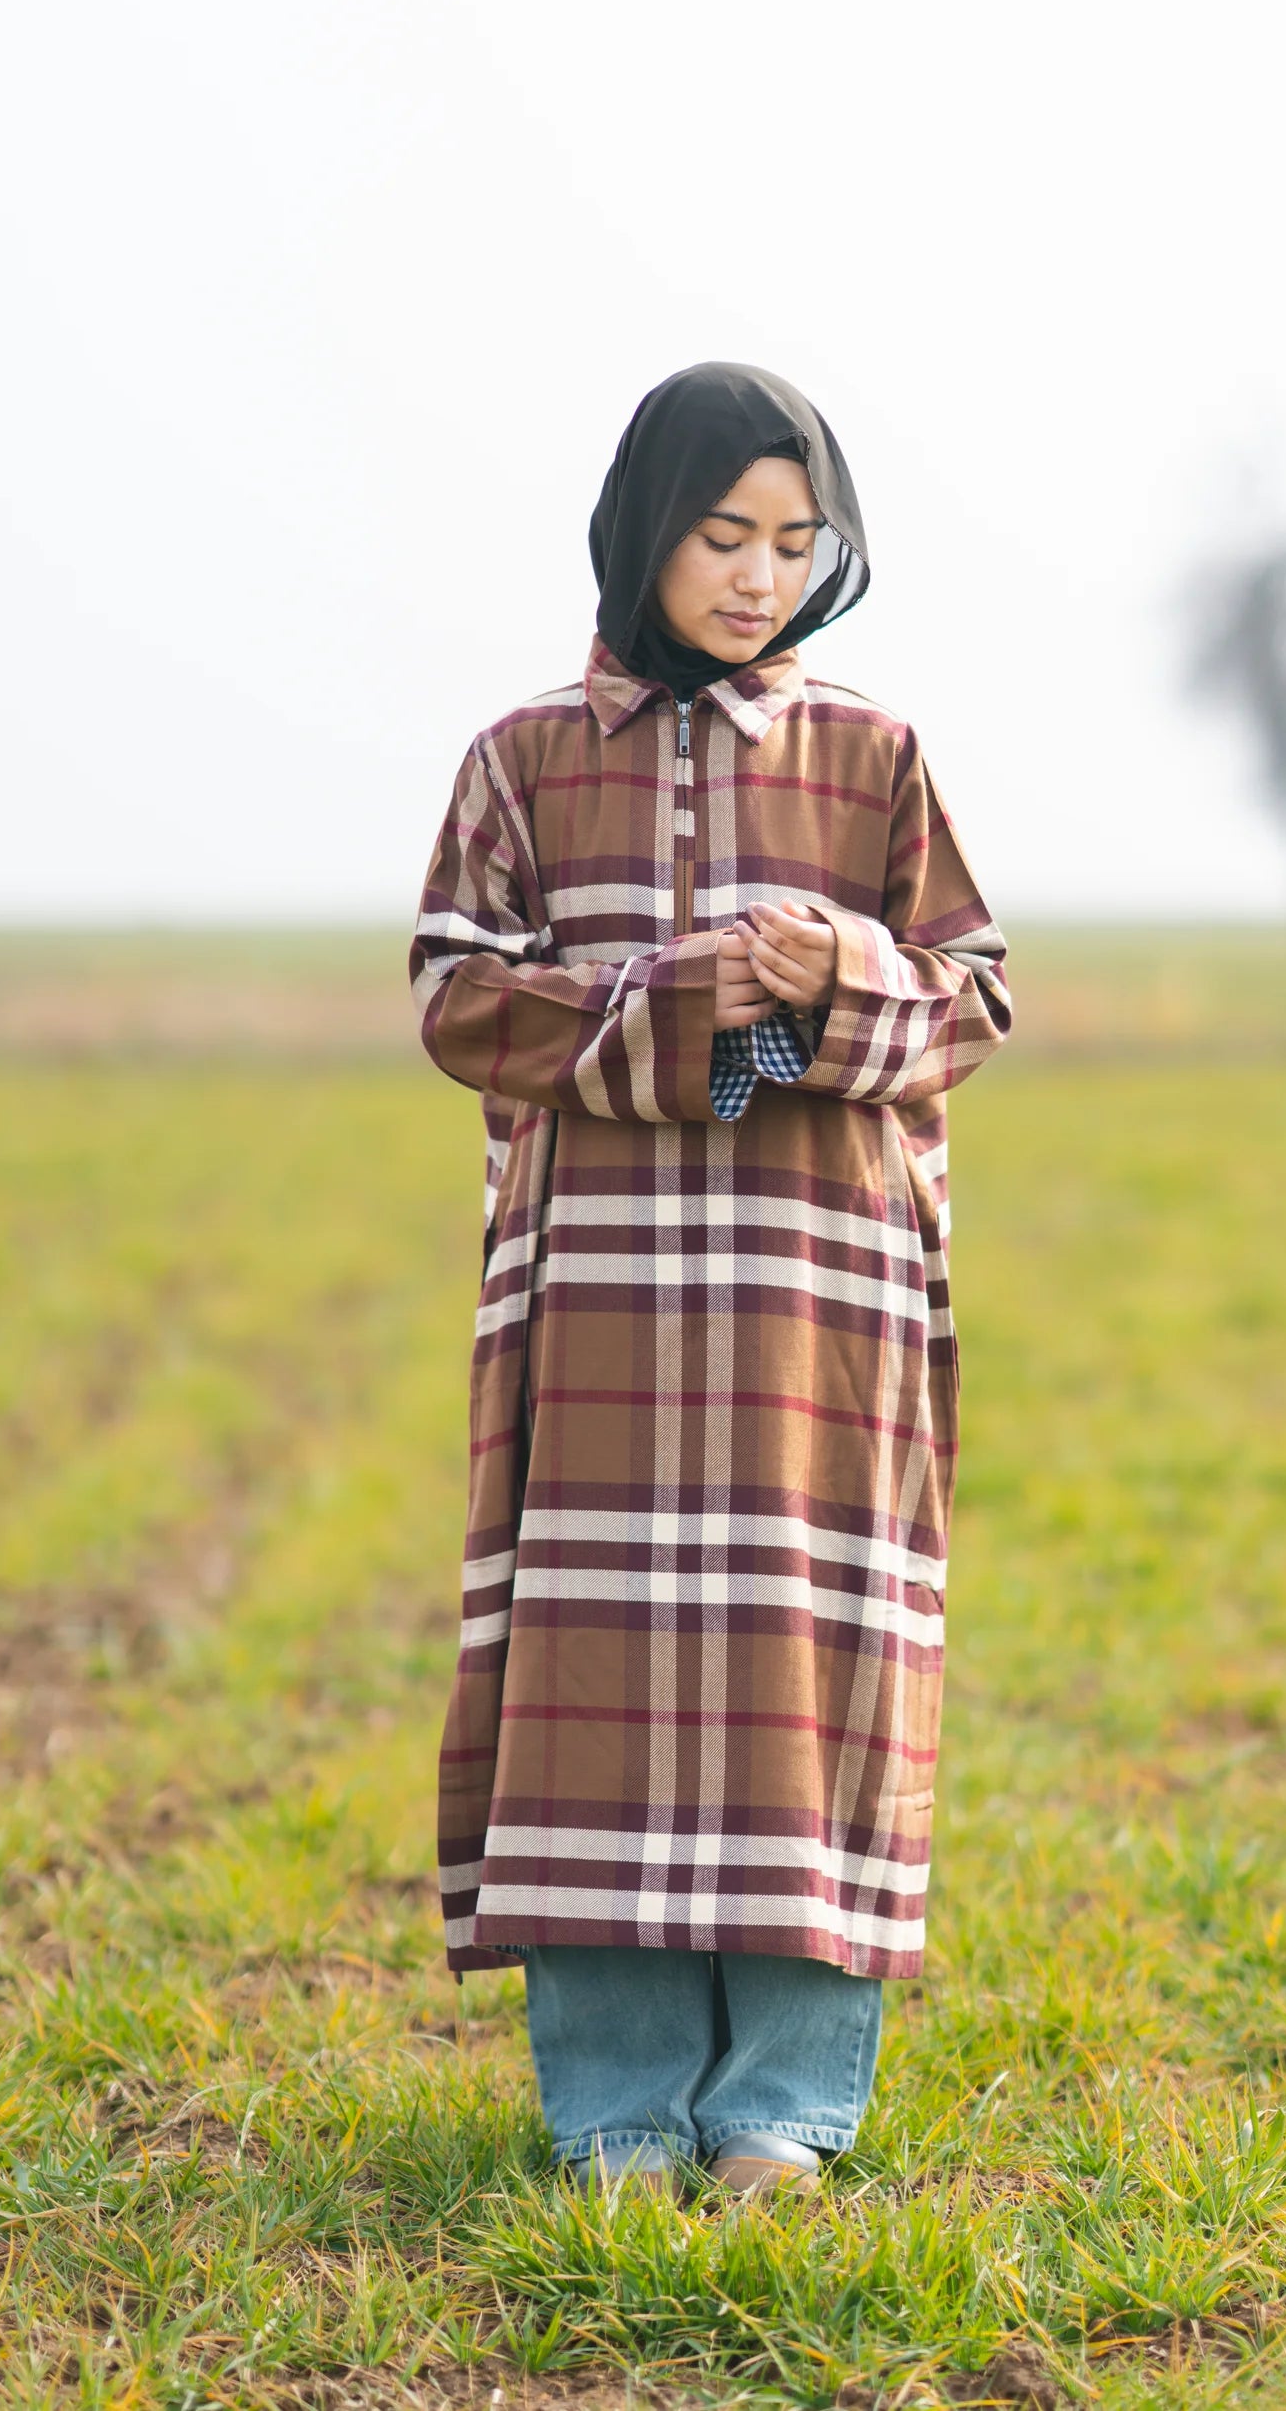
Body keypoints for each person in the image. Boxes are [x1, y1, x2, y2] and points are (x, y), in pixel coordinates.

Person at [410, 362, 1011, 2197]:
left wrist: (840, 972)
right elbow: (455, 996)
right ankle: (617, 2106)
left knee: (812, 1670)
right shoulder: (522, 759)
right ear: (643, 533)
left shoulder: (875, 758)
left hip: (823, 1306)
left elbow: (973, 1000)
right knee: (592, 1676)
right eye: (723, 535)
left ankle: (783, 2107)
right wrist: (676, 997)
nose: (759, 577)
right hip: (598, 1298)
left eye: (794, 541)